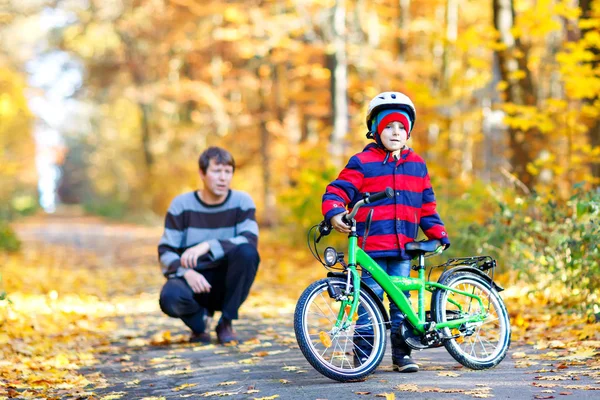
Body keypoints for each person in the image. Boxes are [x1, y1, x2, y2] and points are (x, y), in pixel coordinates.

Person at [321, 91, 450, 372]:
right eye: (388, 126)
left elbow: (426, 204)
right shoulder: (362, 162)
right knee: (368, 301)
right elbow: (338, 190)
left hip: (403, 248)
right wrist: (334, 212)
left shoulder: (417, 165)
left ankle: (402, 355)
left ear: (409, 132)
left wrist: (437, 232)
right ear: (375, 130)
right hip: (371, 248)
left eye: (402, 127)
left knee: (401, 303)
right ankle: (364, 357)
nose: (395, 132)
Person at [158, 146, 260, 345]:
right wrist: (185, 272)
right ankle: (200, 324)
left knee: (248, 253)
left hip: (227, 282)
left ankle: (226, 322)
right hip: (194, 281)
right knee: (169, 297)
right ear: (202, 174)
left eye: (227, 172)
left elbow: (250, 239)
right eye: (216, 171)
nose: (223, 178)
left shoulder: (242, 201)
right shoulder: (182, 205)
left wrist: (207, 245)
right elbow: (165, 250)